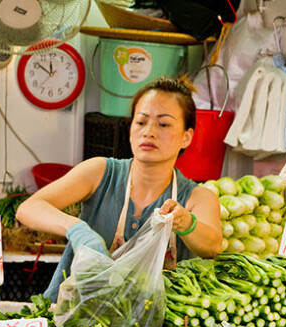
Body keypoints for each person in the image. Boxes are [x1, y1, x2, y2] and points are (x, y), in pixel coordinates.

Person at [16, 76, 222, 301]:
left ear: (186, 137)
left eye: (163, 124)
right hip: (72, 320)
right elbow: (29, 208)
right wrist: (76, 229)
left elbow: (211, 245)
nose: (149, 132)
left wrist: (186, 222)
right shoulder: (100, 172)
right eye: (141, 122)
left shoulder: (196, 196)